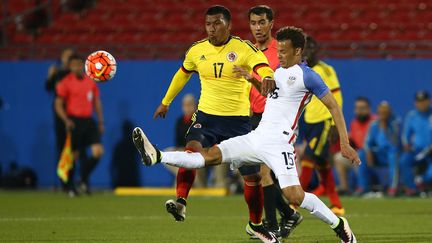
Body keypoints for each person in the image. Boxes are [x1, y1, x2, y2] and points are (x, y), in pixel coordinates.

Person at [133, 26, 358, 243]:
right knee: (207, 156)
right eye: (277, 50)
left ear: (297, 51)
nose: (278, 55)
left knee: (295, 197)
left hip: (280, 145)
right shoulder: (278, 71)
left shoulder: (308, 76)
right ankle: (157, 155)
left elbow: (334, 107)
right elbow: (269, 95)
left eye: (283, 51)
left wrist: (345, 144)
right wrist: (250, 78)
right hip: (256, 137)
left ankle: (339, 225)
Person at [135, 5, 278, 242]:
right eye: (208, 24)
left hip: (238, 122)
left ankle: (256, 224)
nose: (212, 29)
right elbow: (182, 73)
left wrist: (268, 76)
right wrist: (166, 101)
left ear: (228, 25)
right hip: (206, 117)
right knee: (191, 151)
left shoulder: (243, 48)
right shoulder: (197, 50)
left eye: (217, 24)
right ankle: (181, 201)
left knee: (252, 177)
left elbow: (260, 64)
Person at [234, 5, 302, 239]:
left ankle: (271, 226)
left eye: (262, 22)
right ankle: (288, 215)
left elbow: (289, 87)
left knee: (264, 175)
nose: (258, 27)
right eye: (253, 23)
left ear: (271, 23)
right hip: (250, 117)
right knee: (252, 175)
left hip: (274, 120)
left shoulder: (281, 50)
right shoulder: (247, 52)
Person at [299, 36, 345, 216]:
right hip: (309, 121)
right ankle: (337, 204)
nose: (308, 52)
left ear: (316, 50)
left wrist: (334, 123)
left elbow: (336, 96)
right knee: (322, 162)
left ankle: (295, 201)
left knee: (308, 158)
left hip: (324, 121)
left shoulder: (326, 69)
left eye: (311, 48)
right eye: (305, 49)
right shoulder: (302, 70)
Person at [55, 54, 105, 196]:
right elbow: (58, 104)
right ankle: (70, 187)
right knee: (73, 156)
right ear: (70, 67)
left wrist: (101, 121)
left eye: (79, 64)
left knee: (98, 152)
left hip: (89, 121)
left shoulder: (91, 82)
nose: (77, 67)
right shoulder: (65, 82)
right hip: (74, 122)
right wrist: (66, 120)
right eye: (74, 65)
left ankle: (82, 178)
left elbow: (96, 102)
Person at [45, 48, 74, 190]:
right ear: (61, 58)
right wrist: (50, 76)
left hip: (75, 115)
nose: (68, 58)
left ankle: (73, 181)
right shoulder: (57, 73)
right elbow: (48, 88)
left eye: (70, 56)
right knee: (62, 147)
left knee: (75, 149)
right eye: (65, 55)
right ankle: (64, 181)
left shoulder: (75, 74)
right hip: (60, 116)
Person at [335, 97, 375, 194]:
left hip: (372, 155)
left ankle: (363, 188)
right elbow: (353, 140)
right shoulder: (354, 123)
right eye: (357, 108)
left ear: (368, 109)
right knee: (338, 157)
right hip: (358, 155)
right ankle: (345, 188)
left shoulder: (375, 122)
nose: (359, 111)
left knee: (361, 155)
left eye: (362, 108)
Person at [358, 101, 400, 195]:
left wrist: (385, 127)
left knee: (393, 153)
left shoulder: (395, 124)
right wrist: (368, 151)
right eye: (381, 112)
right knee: (361, 153)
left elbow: (395, 142)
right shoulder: (373, 125)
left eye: (385, 112)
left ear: (390, 112)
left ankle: (393, 187)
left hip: (390, 154)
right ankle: (362, 187)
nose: (383, 114)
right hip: (378, 155)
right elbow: (367, 142)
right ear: (378, 112)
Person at [400, 90, 432, 195]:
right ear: (415, 103)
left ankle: (421, 181)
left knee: (430, 174)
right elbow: (405, 135)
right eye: (419, 101)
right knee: (404, 160)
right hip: (417, 150)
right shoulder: (411, 116)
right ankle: (412, 189)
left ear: (429, 101)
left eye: (424, 101)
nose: (422, 104)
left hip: (431, 151)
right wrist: (406, 144)